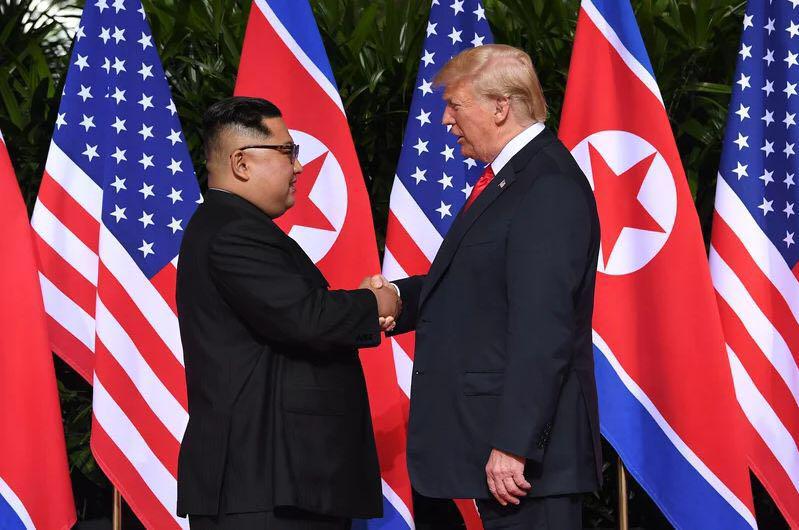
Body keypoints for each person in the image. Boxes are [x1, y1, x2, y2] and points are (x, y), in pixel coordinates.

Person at [377, 44, 602, 529]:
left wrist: (515, 443)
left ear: (500, 107)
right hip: (500, 457)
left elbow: (543, 328)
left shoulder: (546, 184)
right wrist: (397, 297)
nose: (445, 119)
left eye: (455, 105)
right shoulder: (512, 180)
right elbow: (477, 286)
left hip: (526, 466)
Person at [175, 96, 400, 529]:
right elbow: (307, 319)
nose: (298, 166)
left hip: (271, 485)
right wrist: (378, 302)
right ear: (241, 162)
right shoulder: (234, 231)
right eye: (287, 151)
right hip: (264, 487)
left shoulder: (230, 224)